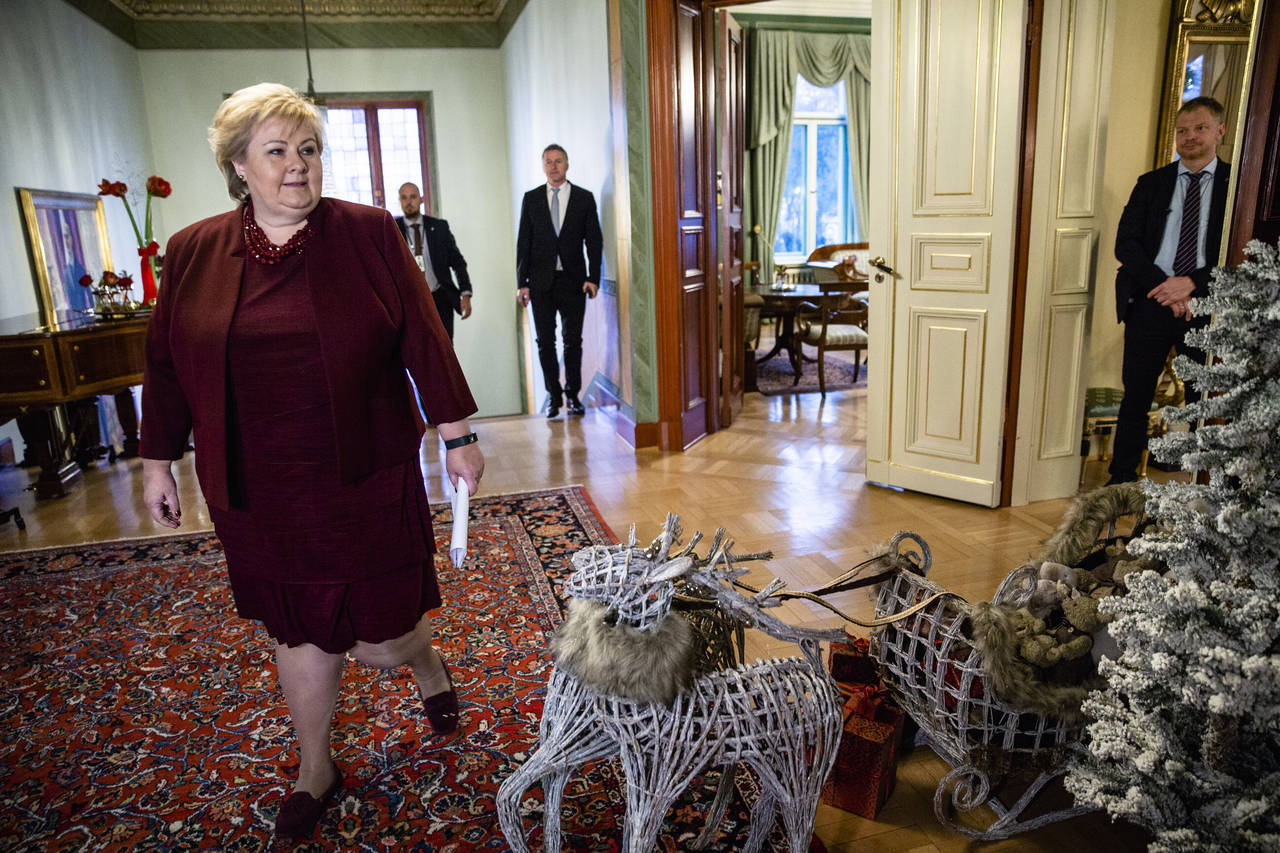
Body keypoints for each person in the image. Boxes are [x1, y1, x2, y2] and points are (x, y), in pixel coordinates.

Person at [139, 83, 485, 840]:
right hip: (258, 485)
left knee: (380, 631)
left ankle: (423, 661)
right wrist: (157, 458)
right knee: (298, 628)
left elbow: (422, 335)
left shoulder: (366, 233)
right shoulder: (194, 251)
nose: (298, 166)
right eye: (277, 151)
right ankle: (316, 766)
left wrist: (457, 433)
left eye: (309, 149)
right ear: (238, 165)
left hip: (360, 470)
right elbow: (165, 363)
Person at [1108, 96, 1231, 485]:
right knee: (1136, 396)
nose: (1190, 137)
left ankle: (1203, 481)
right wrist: (1166, 287)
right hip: (1149, 301)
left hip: (1208, 306)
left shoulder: (1236, 186)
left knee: (1205, 397)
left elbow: (1240, 251)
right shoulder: (1151, 184)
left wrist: (1192, 284)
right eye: (1182, 130)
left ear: (1219, 132)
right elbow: (1125, 244)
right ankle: (1122, 479)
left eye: (1199, 128)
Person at [516, 144, 603, 418]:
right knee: (544, 342)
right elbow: (524, 243)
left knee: (572, 341)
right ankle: (553, 397)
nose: (553, 167)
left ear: (567, 164)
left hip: (573, 281)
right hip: (540, 282)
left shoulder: (583, 198)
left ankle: (574, 396)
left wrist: (593, 278)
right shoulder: (531, 199)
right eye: (548, 162)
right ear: (543, 166)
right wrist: (522, 282)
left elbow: (594, 241)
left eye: (558, 161)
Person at [394, 182, 473, 340]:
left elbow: (457, 261)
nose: (409, 202)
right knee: (416, 351)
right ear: (400, 201)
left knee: (444, 350)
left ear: (421, 199)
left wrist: (465, 292)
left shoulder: (439, 227)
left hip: (439, 298)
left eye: (413, 197)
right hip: (408, 302)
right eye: (404, 198)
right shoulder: (393, 229)